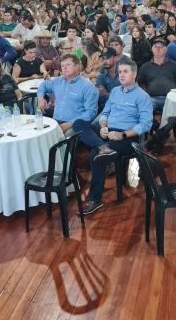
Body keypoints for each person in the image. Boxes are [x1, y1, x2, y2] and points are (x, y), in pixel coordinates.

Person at [74, 59, 154, 215]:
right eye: (119, 72)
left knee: (95, 155)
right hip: (108, 131)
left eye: (125, 72)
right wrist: (103, 127)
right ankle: (102, 146)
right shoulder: (116, 91)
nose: (121, 75)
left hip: (127, 136)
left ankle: (94, 199)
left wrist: (122, 134)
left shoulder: (142, 96)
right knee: (78, 124)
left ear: (134, 74)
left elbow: (146, 125)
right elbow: (105, 113)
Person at [36, 54, 98, 132]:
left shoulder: (88, 86)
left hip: (74, 124)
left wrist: (70, 124)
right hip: (55, 121)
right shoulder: (58, 81)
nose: (64, 68)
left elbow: (91, 112)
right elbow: (44, 85)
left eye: (68, 65)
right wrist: (40, 98)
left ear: (77, 66)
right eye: (62, 66)